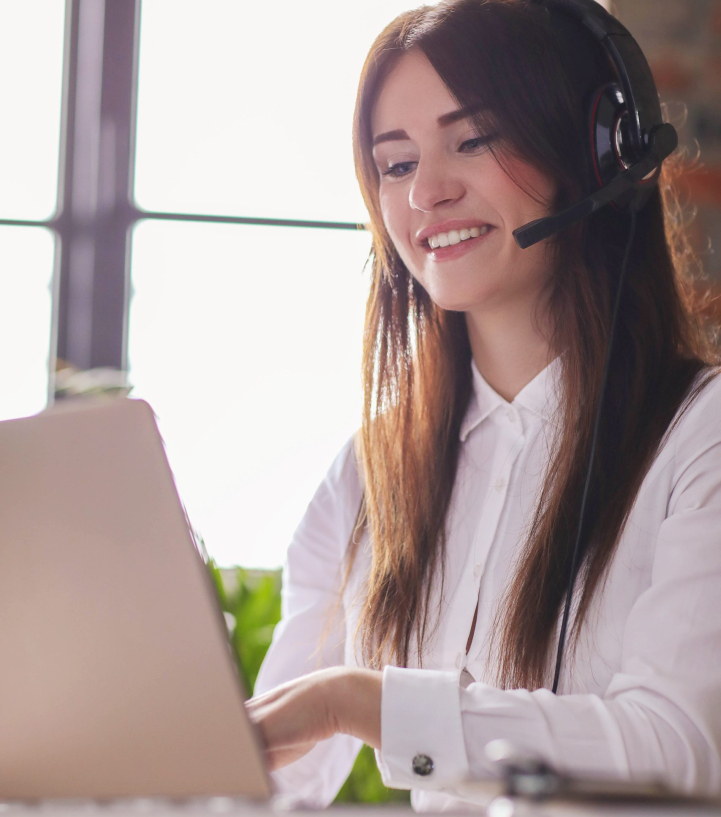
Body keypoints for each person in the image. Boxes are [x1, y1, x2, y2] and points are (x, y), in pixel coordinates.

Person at [247, 0, 721, 810]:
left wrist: (361, 705)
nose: (427, 191)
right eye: (394, 165)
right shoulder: (366, 476)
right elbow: (269, 780)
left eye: (473, 140)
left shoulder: (698, 434)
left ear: (599, 155)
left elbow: (681, 750)